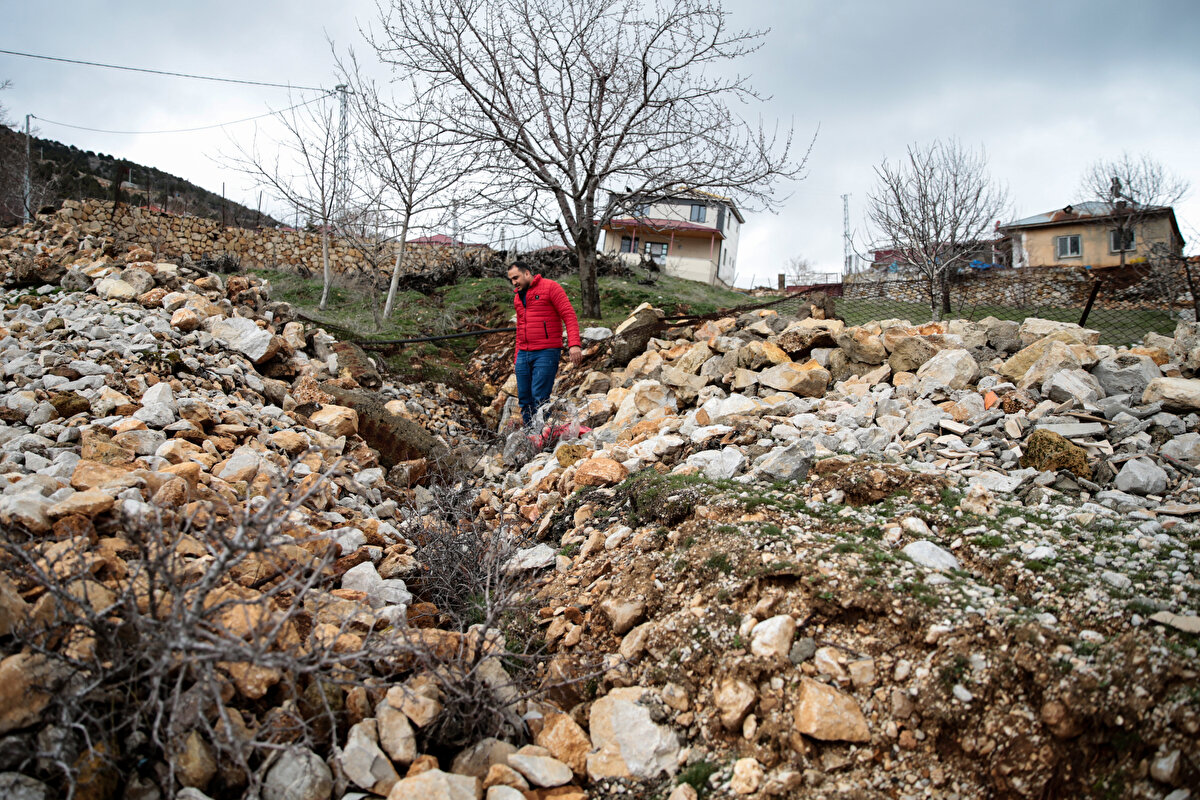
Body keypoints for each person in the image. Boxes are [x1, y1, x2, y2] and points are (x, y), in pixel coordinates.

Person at [508, 261, 582, 427]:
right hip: (523, 353)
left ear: (527, 273)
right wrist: (516, 358)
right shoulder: (518, 298)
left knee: (539, 397)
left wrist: (574, 344)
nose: (514, 282)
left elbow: (569, 315)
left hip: (546, 352)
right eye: (511, 280)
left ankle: (542, 435)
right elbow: (520, 329)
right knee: (524, 399)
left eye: (516, 277)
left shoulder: (551, 288)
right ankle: (530, 435)